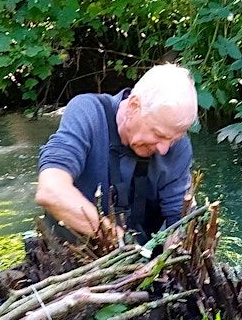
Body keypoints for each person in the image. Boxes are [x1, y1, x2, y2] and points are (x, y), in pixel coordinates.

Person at [35, 64, 198, 243]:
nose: (164, 149)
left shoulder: (178, 148)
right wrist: (117, 240)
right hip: (74, 253)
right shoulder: (88, 113)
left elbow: (180, 222)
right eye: (158, 134)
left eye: (173, 139)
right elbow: (50, 189)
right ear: (134, 106)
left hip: (142, 261)